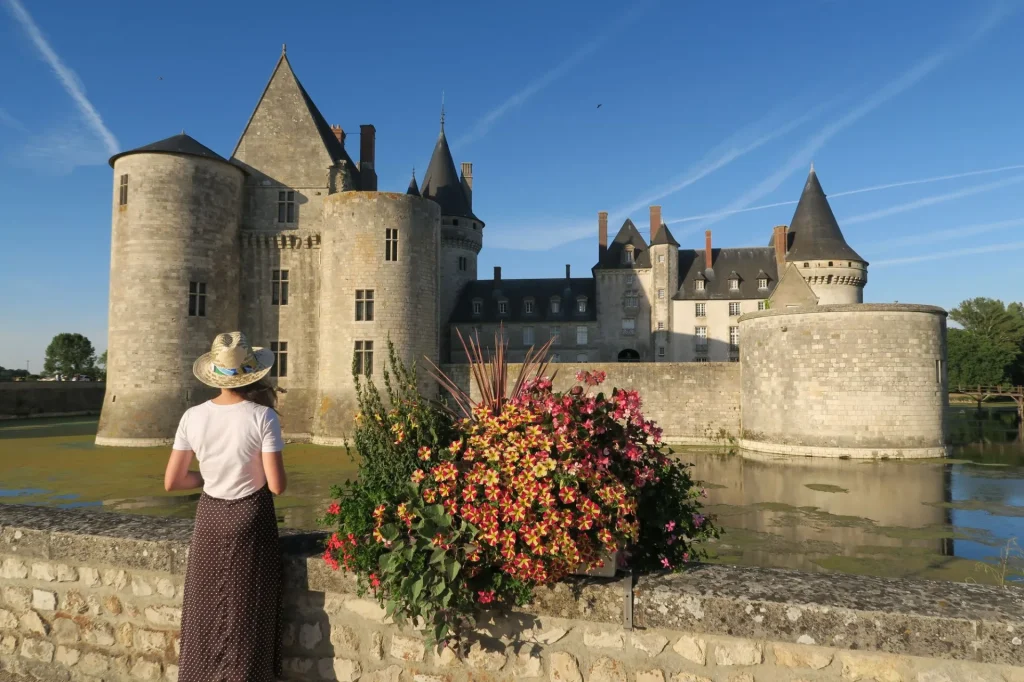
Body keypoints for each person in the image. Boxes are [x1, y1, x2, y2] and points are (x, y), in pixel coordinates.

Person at [163, 331, 287, 681]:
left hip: (210, 517)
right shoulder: (263, 417)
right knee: (249, 608)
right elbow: (276, 485)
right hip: (251, 517)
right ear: (255, 375)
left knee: (205, 607)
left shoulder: (193, 416)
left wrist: (208, 477)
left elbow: (173, 481)